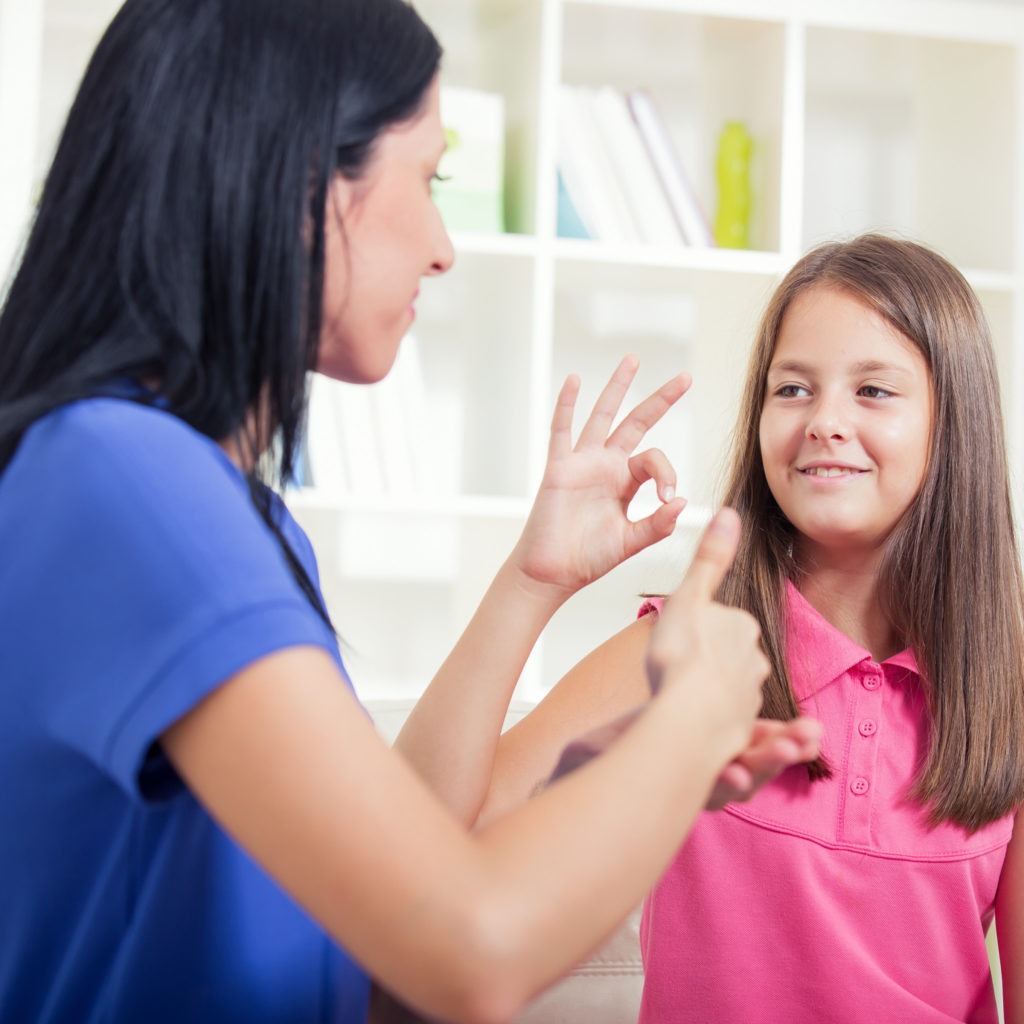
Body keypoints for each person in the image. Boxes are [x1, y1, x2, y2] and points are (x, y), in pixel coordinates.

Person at [0, 1, 822, 1021]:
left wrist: (536, 589)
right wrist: (690, 719)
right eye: (427, 180)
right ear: (300, 182)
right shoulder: (126, 483)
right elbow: (463, 953)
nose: (442, 248)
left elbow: (380, 901)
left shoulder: (213, 505)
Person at [481, 234, 1024, 1023]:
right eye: (793, 388)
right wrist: (527, 586)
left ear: (954, 426)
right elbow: (430, 840)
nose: (824, 422)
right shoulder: (680, 652)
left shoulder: (1005, 698)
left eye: (874, 391)